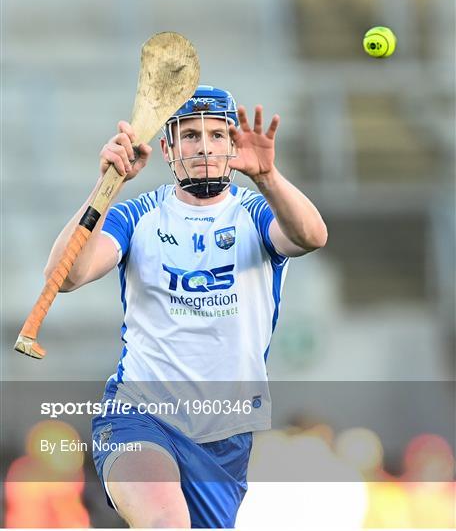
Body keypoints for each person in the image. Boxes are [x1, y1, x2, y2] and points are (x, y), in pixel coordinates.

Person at [44, 85, 327, 528]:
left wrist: (268, 177)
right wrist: (105, 185)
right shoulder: (139, 216)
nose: (204, 147)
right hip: (139, 415)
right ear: (167, 147)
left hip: (225, 433)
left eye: (217, 135)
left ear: (234, 144)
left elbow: (311, 236)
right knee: (166, 524)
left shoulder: (255, 213)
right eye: (190, 135)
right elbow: (66, 275)